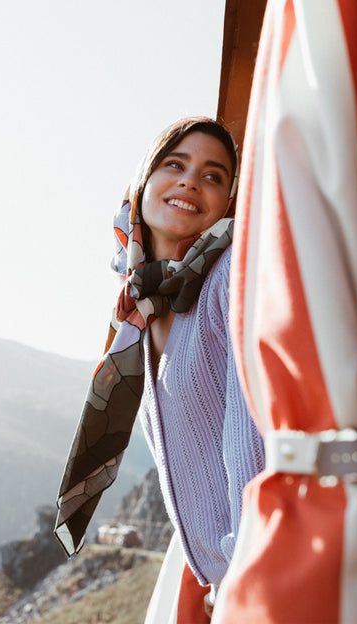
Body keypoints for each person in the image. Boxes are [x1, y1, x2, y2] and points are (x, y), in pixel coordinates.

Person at [55, 117, 265, 620]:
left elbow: (250, 448)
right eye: (175, 164)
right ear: (143, 181)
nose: (191, 181)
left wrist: (238, 577)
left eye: (213, 176)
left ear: (227, 202)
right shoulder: (138, 309)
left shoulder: (229, 278)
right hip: (212, 576)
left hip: (251, 576)